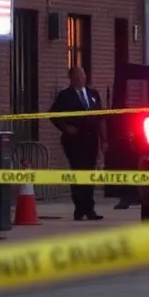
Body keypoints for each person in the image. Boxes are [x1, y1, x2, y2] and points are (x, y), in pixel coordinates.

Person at [48, 65, 106, 221]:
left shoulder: (93, 94)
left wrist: (103, 140)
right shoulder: (65, 95)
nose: (81, 77)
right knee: (79, 171)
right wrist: (66, 128)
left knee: (89, 173)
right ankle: (80, 208)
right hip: (74, 141)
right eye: (77, 75)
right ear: (72, 78)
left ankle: (89, 208)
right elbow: (53, 115)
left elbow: (100, 118)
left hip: (91, 140)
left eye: (83, 74)